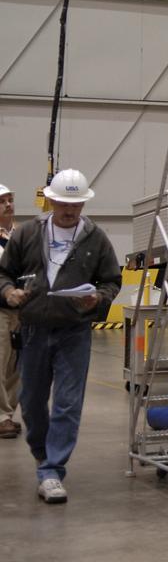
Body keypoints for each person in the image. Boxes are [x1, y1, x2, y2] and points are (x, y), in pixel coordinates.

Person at [0, 169, 121, 503]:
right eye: (64, 203)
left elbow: (111, 280)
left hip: (74, 333)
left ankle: (52, 471)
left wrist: (98, 297)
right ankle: (43, 454)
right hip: (33, 330)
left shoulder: (95, 238)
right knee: (32, 403)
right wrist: (9, 293)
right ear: (50, 199)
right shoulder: (26, 234)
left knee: (67, 404)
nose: (70, 211)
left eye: (77, 204)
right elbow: (3, 274)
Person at [0, 183, 20, 440]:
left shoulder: (20, 235)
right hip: (0, 308)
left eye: (10, 200)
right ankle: (1, 416)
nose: (8, 205)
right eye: (2, 201)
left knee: (16, 366)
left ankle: (9, 414)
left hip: (21, 309)